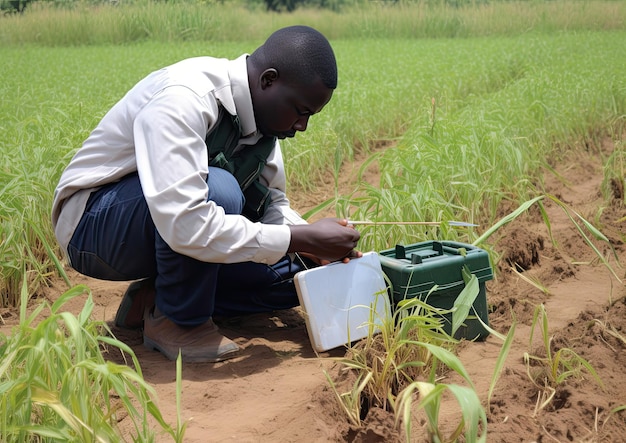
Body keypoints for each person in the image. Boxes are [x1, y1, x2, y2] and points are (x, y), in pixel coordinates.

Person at [51, 25, 361, 363]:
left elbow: (271, 204)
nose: (302, 126)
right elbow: (186, 222)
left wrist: (312, 249)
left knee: (294, 279)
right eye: (301, 111)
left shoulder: (265, 124)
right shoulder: (186, 97)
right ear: (268, 80)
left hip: (166, 225)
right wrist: (300, 238)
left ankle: (154, 298)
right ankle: (178, 321)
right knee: (221, 190)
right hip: (95, 228)